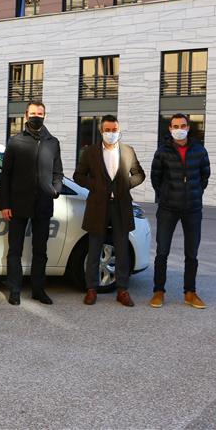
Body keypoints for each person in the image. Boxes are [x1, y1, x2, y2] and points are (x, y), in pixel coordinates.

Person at [73, 114, 145, 307]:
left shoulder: (128, 151)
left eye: (114, 130)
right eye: (107, 130)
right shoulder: (90, 152)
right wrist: (94, 185)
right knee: (94, 249)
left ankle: (122, 290)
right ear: (101, 131)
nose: (111, 133)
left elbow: (140, 174)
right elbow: (78, 175)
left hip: (121, 207)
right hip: (97, 207)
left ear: (119, 130)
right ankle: (91, 289)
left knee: (122, 250)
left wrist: (126, 184)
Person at [0, 101, 63, 305]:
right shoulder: (15, 141)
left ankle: (38, 290)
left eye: (41, 113)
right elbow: (6, 176)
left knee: (40, 251)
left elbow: (58, 172)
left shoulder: (52, 142)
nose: (37, 116)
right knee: (14, 250)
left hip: (43, 204)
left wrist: (56, 189)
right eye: (34, 113)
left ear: (45, 116)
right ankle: (14, 290)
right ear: (26, 115)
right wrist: (5, 204)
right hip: (18, 204)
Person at [149, 113, 211, 309]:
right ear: (170, 129)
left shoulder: (199, 151)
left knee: (191, 253)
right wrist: (166, 195)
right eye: (175, 126)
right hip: (168, 208)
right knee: (162, 252)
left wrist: (194, 193)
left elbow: (204, 176)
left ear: (188, 127)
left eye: (182, 125)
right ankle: (158, 291)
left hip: (192, 209)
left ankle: (190, 292)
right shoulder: (162, 152)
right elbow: (155, 178)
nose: (179, 129)